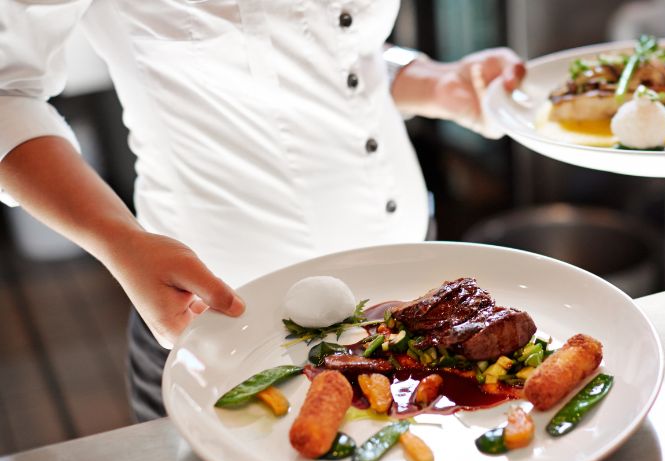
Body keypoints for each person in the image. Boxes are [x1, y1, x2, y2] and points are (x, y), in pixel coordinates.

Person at [0, 1, 524, 421]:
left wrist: (427, 80)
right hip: (224, 318)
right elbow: (6, 92)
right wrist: (120, 240)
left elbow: (330, 40)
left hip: (411, 285)